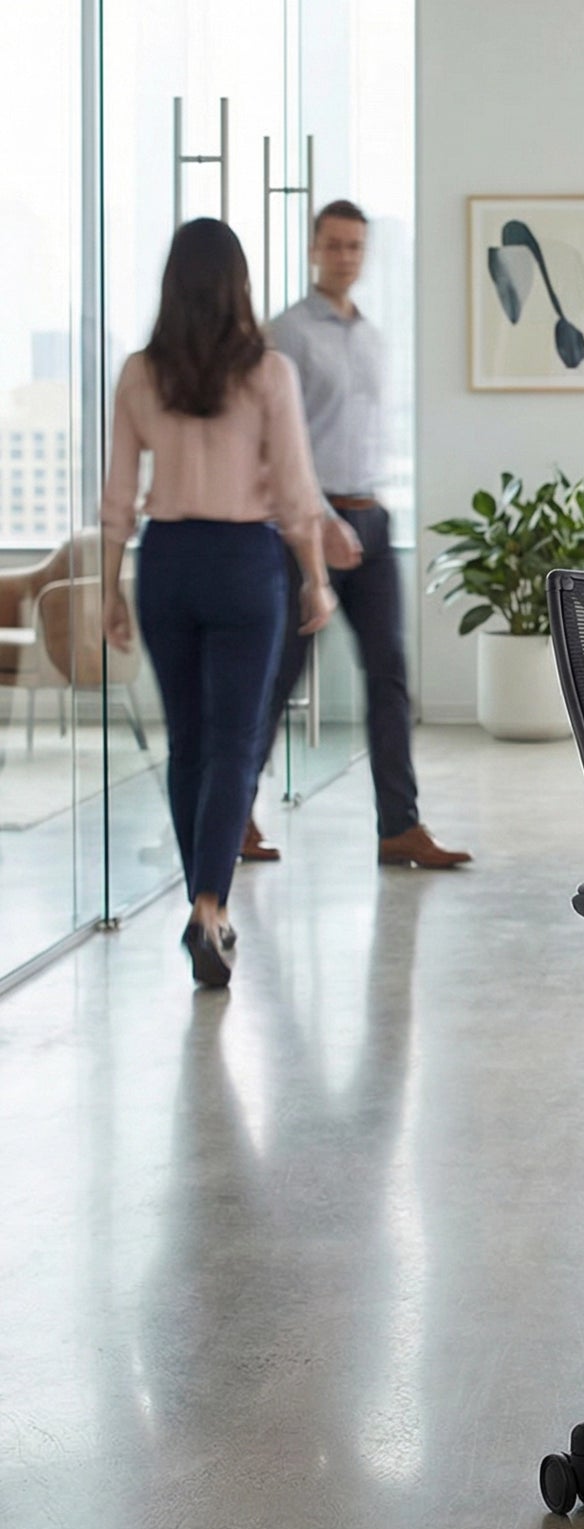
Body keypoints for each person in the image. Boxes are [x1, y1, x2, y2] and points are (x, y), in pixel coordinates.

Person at [101, 218, 337, 988]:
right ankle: (210, 905)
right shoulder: (267, 372)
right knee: (235, 744)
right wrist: (315, 576)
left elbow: (116, 501)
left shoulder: (139, 372)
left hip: (166, 561)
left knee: (188, 745)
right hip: (243, 561)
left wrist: (108, 586)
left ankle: (201, 900)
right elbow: (298, 493)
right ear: (239, 283)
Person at [246, 198, 471, 870]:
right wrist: (320, 518)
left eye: (356, 246)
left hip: (371, 520)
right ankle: (234, 819)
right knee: (279, 675)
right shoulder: (283, 333)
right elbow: (276, 445)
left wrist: (365, 516)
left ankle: (399, 826)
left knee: (390, 674)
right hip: (304, 528)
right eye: (334, 244)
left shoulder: (373, 337)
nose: (345, 256)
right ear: (314, 249)